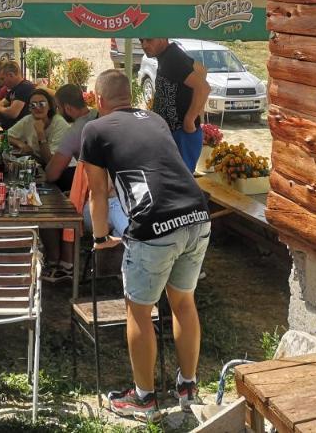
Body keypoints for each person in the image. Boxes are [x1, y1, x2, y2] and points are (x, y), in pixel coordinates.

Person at [82, 69, 212, 419]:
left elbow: (97, 192)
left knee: (139, 309)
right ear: (131, 96)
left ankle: (143, 398)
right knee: (183, 301)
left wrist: (98, 238)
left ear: (98, 100)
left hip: (153, 221)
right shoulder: (154, 119)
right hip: (197, 214)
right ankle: (187, 385)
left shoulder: (94, 129)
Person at [46, 84, 129, 238]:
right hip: (129, 192)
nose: (57, 112)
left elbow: (52, 174)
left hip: (105, 198)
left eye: (58, 107)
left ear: (68, 108)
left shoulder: (78, 131)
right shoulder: (102, 116)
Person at [140, 38, 211, 173]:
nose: (144, 45)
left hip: (181, 134)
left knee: (179, 183)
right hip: (176, 133)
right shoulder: (169, 55)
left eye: (149, 40)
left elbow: (203, 88)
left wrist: (190, 119)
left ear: (162, 38)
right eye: (141, 40)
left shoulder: (172, 58)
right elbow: (202, 70)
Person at [6, 88, 70, 165]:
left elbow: (50, 162)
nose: (37, 108)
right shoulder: (28, 120)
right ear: (29, 108)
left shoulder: (59, 123)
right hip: (38, 163)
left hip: (64, 170)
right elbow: (7, 136)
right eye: (33, 105)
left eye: (42, 104)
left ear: (49, 106)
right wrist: (21, 144)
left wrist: (40, 133)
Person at [0, 60, 34, 130]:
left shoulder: (25, 87)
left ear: (11, 75)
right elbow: (0, 105)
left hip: (19, 132)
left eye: (2, 79)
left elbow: (12, 113)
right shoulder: (13, 89)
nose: (2, 83)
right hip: (9, 128)